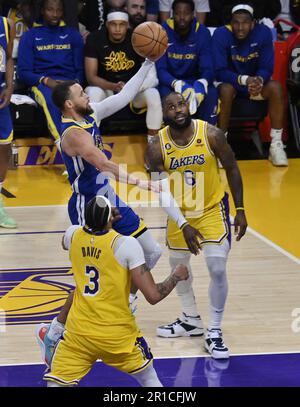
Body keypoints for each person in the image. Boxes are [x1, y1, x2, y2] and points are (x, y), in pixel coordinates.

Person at [36, 59, 164, 367]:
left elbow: (121, 97)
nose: (88, 97)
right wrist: (142, 183)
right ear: (70, 104)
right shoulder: (72, 135)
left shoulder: (91, 115)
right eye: (82, 94)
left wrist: (148, 63)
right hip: (87, 204)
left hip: (109, 197)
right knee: (88, 275)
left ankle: (128, 301)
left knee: (152, 251)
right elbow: (103, 164)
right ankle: (54, 331)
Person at [37, 195, 189, 387]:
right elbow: (153, 295)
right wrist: (176, 275)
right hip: (117, 336)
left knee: (56, 384)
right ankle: (130, 302)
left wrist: (100, 223)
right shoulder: (126, 245)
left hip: (79, 336)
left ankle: (53, 333)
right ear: (110, 218)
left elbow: (68, 240)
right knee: (149, 379)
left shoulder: (73, 235)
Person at [145, 92, 248, 359]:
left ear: (188, 106)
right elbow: (160, 191)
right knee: (179, 267)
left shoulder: (211, 134)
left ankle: (213, 330)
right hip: (179, 215)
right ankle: (190, 318)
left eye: (180, 104)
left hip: (212, 209)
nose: (177, 109)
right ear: (164, 114)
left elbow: (233, 168)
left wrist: (240, 209)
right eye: (170, 107)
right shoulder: (156, 146)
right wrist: (182, 223)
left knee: (216, 266)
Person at [212, 3, 288, 167]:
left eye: (245, 22)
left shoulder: (264, 33)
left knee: (276, 88)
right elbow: (220, 70)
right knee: (225, 89)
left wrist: (259, 80)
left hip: (254, 85)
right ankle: (221, 147)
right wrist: (245, 79)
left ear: (253, 23)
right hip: (231, 84)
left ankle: (276, 145)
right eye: (236, 23)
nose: (240, 27)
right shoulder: (221, 34)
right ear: (231, 23)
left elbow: (267, 67)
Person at [84, 10, 162, 143]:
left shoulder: (138, 39)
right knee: (92, 92)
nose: (118, 29)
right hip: (107, 89)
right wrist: (112, 86)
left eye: (122, 25)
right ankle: (91, 143)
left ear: (128, 26)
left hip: (133, 92)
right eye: (113, 24)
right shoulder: (95, 38)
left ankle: (153, 146)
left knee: (153, 94)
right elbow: (91, 77)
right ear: (107, 25)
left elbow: (153, 78)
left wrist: (130, 89)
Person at [17, 0, 84, 145]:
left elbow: (80, 70)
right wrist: (46, 81)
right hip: (42, 84)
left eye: (58, 10)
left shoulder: (73, 35)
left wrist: (74, 84)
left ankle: (87, 145)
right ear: (42, 10)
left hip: (69, 82)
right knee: (53, 100)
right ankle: (63, 146)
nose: (54, 14)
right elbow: (23, 72)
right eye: (50, 10)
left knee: (82, 101)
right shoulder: (30, 36)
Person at [156, 0, 218, 126]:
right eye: (178, 13)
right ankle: (169, 137)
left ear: (193, 15)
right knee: (163, 93)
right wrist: (176, 83)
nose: (182, 18)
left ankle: (208, 136)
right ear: (172, 14)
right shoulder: (162, 31)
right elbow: (160, 69)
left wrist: (202, 83)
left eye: (186, 13)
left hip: (194, 80)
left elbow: (208, 68)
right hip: (170, 82)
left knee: (211, 92)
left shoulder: (202, 32)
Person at [0, 13, 17, 228]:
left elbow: (9, 58)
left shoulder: (7, 24)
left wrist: (10, 87)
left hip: (1, 94)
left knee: (3, 148)